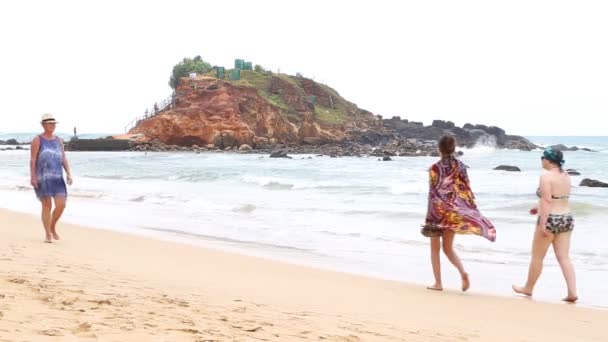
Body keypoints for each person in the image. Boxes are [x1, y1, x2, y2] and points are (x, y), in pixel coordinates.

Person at [421, 135, 496, 291]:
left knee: (435, 250)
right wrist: (470, 209)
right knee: (448, 248)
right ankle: (463, 273)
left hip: (437, 212)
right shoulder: (461, 166)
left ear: (439, 149)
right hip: (453, 212)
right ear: (453, 149)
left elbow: (433, 193)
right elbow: (465, 190)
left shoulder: (435, 168)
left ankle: (438, 283)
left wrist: (430, 217)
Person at [513, 147, 577, 302]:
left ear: (548, 160)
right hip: (566, 217)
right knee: (564, 257)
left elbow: (547, 200)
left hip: (550, 219)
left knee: (537, 257)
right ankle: (572, 292)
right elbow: (559, 197)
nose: (541, 160)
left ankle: (528, 288)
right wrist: (538, 207)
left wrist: (543, 223)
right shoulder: (566, 175)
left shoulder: (546, 176)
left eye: (543, 157)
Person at [30, 113, 73, 243]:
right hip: (43, 177)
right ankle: (48, 233)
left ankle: (52, 226)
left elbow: (63, 158)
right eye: (49, 123)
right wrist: (33, 177)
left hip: (57, 177)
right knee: (47, 205)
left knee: (61, 205)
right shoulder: (37, 139)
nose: (52, 125)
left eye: (53, 123)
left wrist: (69, 173)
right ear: (43, 125)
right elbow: (33, 160)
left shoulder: (59, 140)